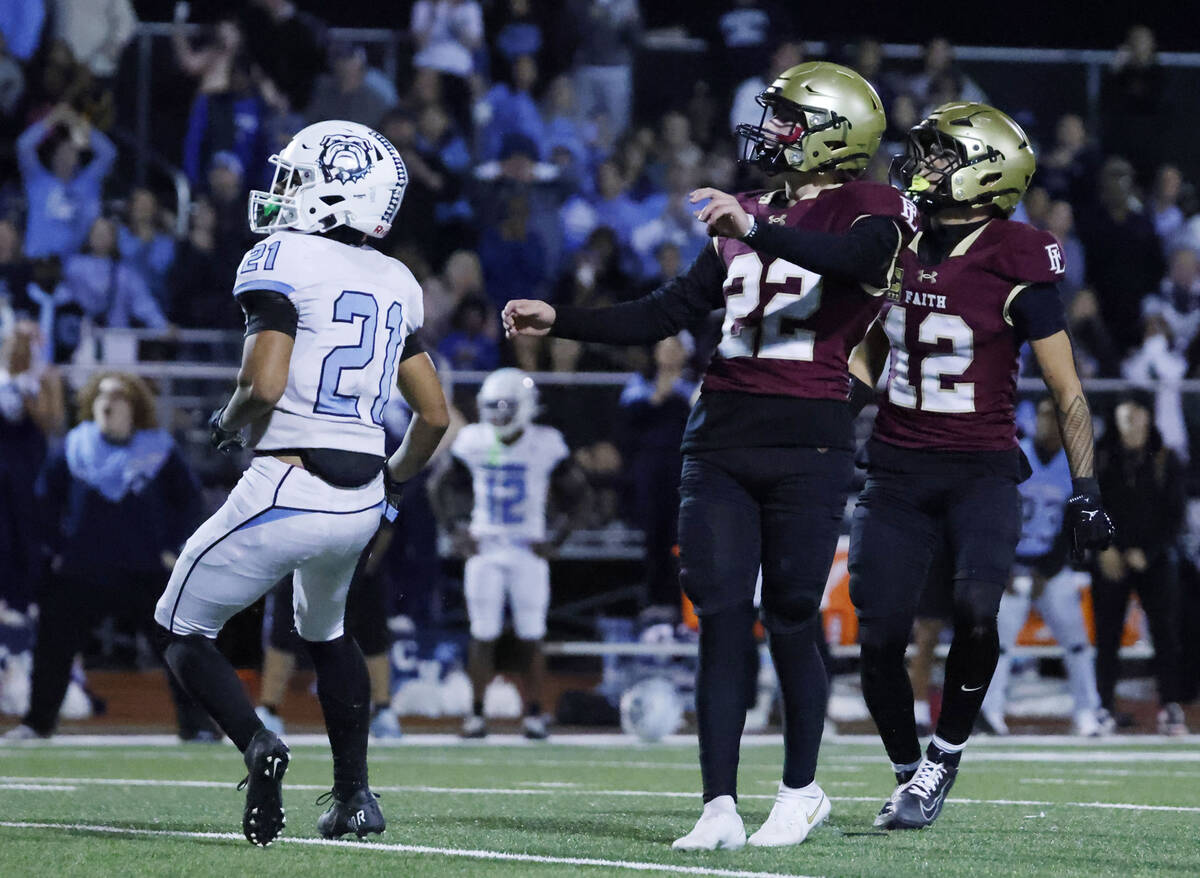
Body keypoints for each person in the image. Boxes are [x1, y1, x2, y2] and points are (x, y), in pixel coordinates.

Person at [505, 61, 915, 849]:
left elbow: (857, 265)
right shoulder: (749, 210)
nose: (771, 133)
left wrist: (754, 228)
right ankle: (718, 803)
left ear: (833, 135)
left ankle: (800, 791)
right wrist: (562, 321)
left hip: (810, 434)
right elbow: (666, 312)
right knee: (722, 616)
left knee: (792, 611)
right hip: (720, 434)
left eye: (789, 119)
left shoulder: (870, 206)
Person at [151, 120, 450, 846]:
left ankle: (259, 743)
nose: (283, 190)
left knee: (179, 627)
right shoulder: (396, 279)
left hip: (289, 481)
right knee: (329, 633)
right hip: (360, 494)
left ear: (334, 191)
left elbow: (265, 381)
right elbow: (436, 417)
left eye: (297, 177)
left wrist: (226, 425)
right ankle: (355, 797)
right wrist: (395, 493)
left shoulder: (280, 256)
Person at [847, 102, 1114, 831]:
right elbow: (874, 346)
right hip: (896, 465)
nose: (922, 167)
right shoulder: (898, 241)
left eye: (940, 157)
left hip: (980, 467)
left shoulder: (1017, 257)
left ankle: (944, 757)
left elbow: (1068, 390)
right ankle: (910, 771)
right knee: (877, 636)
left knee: (973, 610)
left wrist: (1085, 490)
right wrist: (833, 414)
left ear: (983, 173)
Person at [3, 371, 210, 741]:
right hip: (82, 568)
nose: (107, 404)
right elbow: (43, 504)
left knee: (177, 646)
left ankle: (197, 726)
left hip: (146, 568)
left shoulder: (159, 450)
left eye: (117, 397)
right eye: (100, 396)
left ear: (135, 406)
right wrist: (57, 550)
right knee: (53, 647)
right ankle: (38, 723)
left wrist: (171, 549)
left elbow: (190, 503)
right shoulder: (73, 446)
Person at [431, 368, 588, 739]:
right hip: (486, 546)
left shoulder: (546, 442)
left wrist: (556, 541)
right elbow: (438, 486)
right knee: (482, 633)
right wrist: (455, 530)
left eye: (506, 406)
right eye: (493, 407)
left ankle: (534, 714)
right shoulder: (473, 439)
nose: (499, 415)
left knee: (531, 634)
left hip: (526, 548)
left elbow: (581, 495)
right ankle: (477, 715)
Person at [978, 397, 1112, 737]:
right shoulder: (1016, 454)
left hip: (1051, 568)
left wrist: (1047, 570)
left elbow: (1074, 524)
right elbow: (994, 513)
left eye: (1056, 417)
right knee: (999, 645)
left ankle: (1087, 711)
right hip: (1013, 566)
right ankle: (990, 712)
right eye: (1044, 416)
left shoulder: (1074, 462)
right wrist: (1004, 564)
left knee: (1078, 643)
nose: (1049, 423)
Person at [1093, 392, 1187, 734]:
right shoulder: (1100, 458)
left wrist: (1148, 551)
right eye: (1125, 415)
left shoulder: (1166, 458)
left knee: (1165, 633)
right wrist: (1105, 548)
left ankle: (1170, 705)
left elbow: (1175, 517)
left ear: (1149, 418)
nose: (1131, 422)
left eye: (1137, 415)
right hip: (1110, 558)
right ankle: (1102, 705)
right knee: (1107, 636)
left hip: (1154, 560)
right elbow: (1089, 505)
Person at [16, 103, 116, 259]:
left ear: (78, 159)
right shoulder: (37, 180)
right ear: (53, 157)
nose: (66, 157)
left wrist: (75, 121)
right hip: (38, 263)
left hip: (78, 267)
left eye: (72, 153)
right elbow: (23, 146)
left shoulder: (89, 182)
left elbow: (108, 153)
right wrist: (52, 120)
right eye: (62, 153)